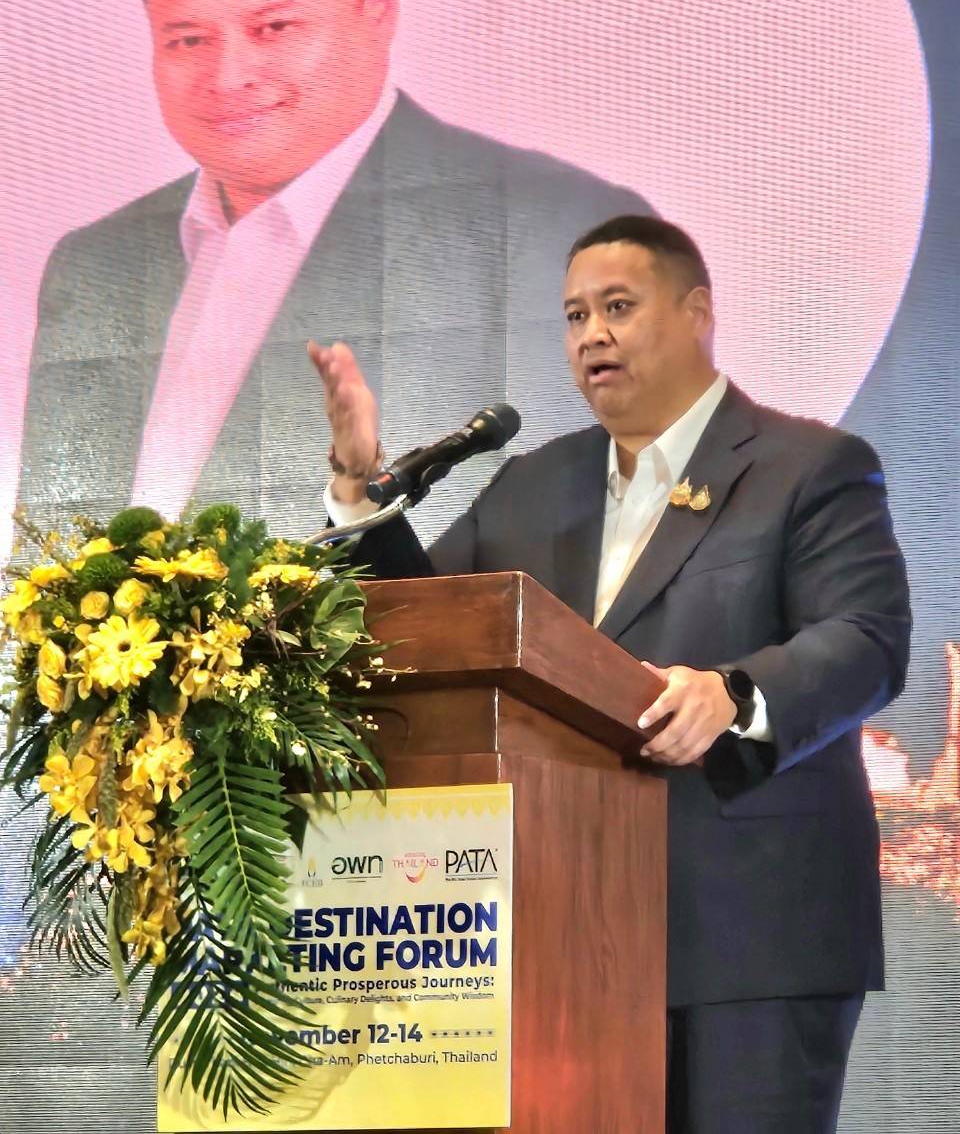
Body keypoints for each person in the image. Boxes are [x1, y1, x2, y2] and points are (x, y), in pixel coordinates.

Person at [309, 214, 912, 1133]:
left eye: (618, 307)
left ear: (696, 312)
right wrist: (358, 495)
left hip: (749, 938)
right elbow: (426, 625)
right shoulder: (531, 484)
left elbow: (867, 639)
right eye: (575, 316)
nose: (592, 334)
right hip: (563, 940)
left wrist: (734, 694)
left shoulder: (809, 467)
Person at [17, 0, 650, 534]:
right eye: (189, 40)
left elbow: (586, 525)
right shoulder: (95, 263)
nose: (228, 77)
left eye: (274, 28)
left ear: (378, 11)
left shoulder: (551, 228)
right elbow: (41, 547)